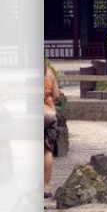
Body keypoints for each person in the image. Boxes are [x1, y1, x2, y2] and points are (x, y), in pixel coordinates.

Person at [44, 60, 62, 199]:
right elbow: (56, 94)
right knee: (47, 150)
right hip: (50, 114)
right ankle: (46, 186)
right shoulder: (49, 72)